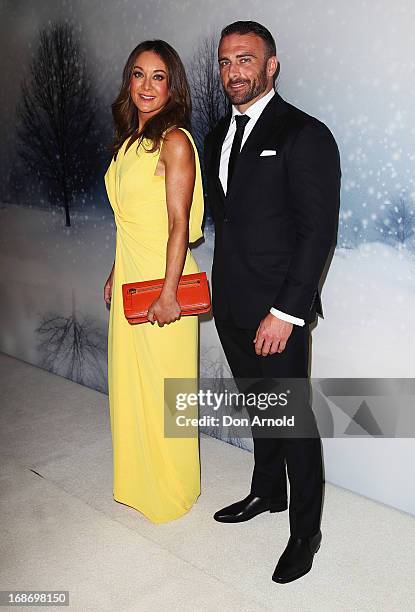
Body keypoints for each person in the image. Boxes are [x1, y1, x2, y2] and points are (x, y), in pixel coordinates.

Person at [204, 21, 341, 583]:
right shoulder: (215, 135)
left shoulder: (306, 134)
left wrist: (286, 313)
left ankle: (305, 533)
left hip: (277, 313)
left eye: (246, 59)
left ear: (271, 65)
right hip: (231, 305)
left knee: (294, 421)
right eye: (225, 61)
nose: (234, 71)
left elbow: (317, 233)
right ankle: (267, 493)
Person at [103, 40, 204, 523]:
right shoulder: (128, 142)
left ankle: (174, 489)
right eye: (138, 74)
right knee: (133, 387)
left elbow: (178, 224)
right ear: (129, 81)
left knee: (168, 393)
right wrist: (114, 268)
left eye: (158, 76)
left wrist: (168, 294)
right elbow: (130, 217)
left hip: (163, 282)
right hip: (132, 275)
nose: (146, 85)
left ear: (173, 84)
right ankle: (142, 481)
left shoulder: (175, 141)